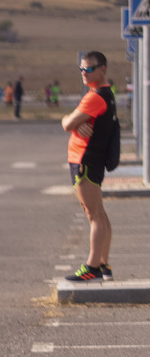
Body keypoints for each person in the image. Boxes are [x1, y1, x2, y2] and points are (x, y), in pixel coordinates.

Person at [61, 51, 116, 282]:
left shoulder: (95, 97)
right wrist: (75, 123)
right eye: (82, 69)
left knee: (93, 215)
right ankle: (103, 264)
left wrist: (72, 122)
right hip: (90, 159)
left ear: (102, 69)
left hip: (85, 160)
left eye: (89, 68)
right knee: (99, 214)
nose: (84, 73)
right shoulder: (104, 94)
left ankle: (93, 266)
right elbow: (74, 122)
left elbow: (67, 123)